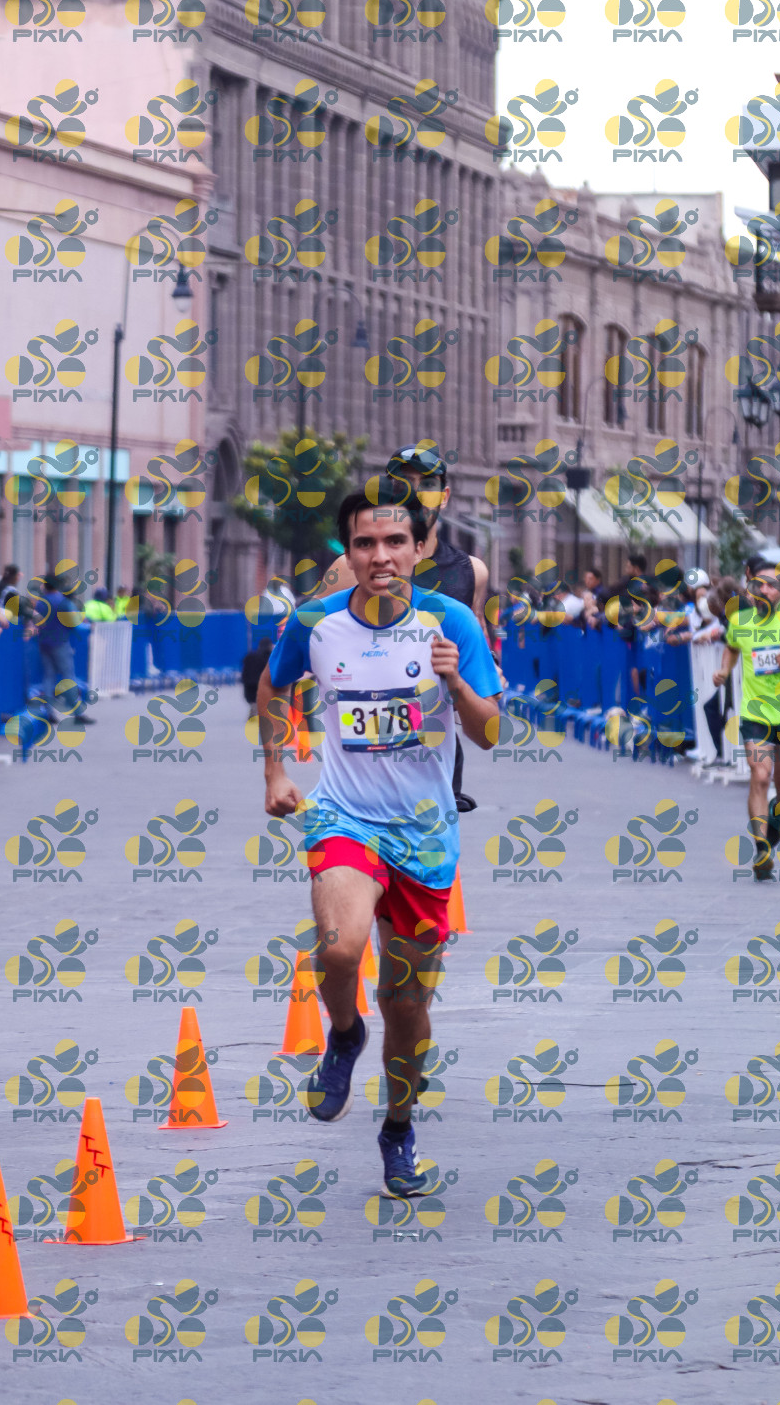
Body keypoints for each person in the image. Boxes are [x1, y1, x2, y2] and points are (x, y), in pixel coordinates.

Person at [257, 478, 501, 1195]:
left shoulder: (453, 621)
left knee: (406, 1004)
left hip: (425, 836)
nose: (381, 556)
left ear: (421, 547)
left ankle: (398, 1127)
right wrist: (275, 770)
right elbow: (273, 686)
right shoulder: (315, 621)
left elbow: (490, 732)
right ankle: (342, 1033)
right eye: (365, 543)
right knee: (339, 947)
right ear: (349, 551)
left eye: (396, 541)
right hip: (345, 816)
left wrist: (458, 687)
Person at [312, 443, 492, 812]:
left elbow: (478, 650)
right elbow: (310, 637)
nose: (416, 492)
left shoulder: (472, 571)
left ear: (444, 496)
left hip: (432, 749)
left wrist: (475, 677)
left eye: (427, 485)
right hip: (359, 753)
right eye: (403, 483)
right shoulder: (348, 567)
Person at [713, 563, 780, 879]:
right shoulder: (739, 621)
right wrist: (723, 670)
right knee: (760, 775)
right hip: (755, 715)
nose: (764, 590)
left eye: (771, 584)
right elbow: (731, 648)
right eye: (759, 584)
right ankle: (761, 849)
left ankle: (774, 827)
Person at [31, 571, 95, 724]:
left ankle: (48, 712)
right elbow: (73, 623)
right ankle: (77, 712)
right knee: (68, 677)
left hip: (44, 643)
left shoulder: (41, 603)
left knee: (48, 677)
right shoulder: (62, 602)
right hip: (60, 642)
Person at [241, 635, 274, 716]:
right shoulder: (269, 658)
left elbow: (244, 672)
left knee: (254, 702)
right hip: (261, 685)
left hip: (248, 685)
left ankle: (254, 712)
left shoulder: (249, 656)